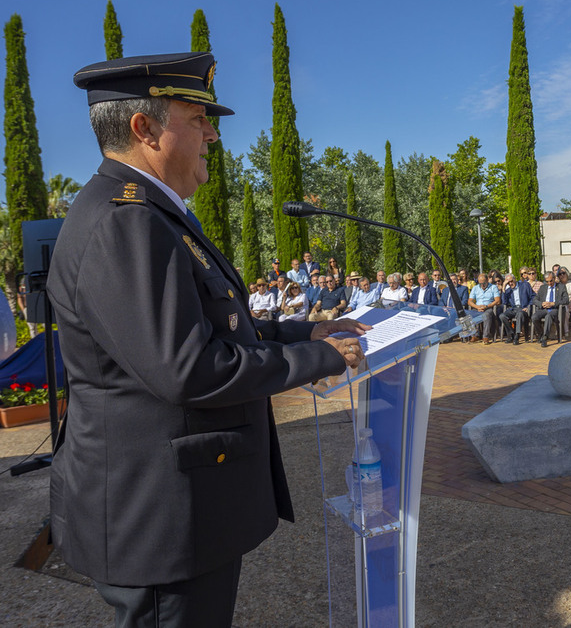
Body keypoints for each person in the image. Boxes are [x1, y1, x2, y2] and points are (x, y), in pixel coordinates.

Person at [48, 52, 369, 626]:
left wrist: (309, 329)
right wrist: (316, 358)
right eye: (197, 120)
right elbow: (188, 367)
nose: (213, 136)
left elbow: (217, 324)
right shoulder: (127, 223)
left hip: (175, 509)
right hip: (158, 519)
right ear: (145, 129)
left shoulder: (152, 214)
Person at [530, 271, 569, 347]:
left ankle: (545, 337)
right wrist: (541, 304)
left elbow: (566, 300)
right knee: (534, 317)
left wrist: (553, 303)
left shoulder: (561, 287)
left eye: (551, 281)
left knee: (549, 316)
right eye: (547, 281)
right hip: (544, 309)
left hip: (555, 309)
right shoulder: (543, 288)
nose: (549, 283)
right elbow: (535, 300)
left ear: (554, 279)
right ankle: (541, 334)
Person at [500, 273, 535, 345]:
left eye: (511, 281)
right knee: (502, 316)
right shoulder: (508, 290)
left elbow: (533, 296)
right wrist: (503, 288)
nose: (510, 283)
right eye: (508, 282)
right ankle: (511, 333)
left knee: (520, 314)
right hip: (513, 309)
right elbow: (504, 302)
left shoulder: (524, 285)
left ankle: (517, 335)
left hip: (523, 308)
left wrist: (528, 306)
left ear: (515, 279)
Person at [468, 272, 501, 343]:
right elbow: (470, 301)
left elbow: (497, 300)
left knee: (486, 315)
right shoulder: (475, 288)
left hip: (488, 307)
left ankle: (485, 336)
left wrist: (486, 306)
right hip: (477, 307)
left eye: (484, 283)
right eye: (480, 283)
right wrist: (477, 307)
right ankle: (475, 335)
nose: (482, 285)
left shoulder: (493, 287)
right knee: (471, 315)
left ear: (487, 281)